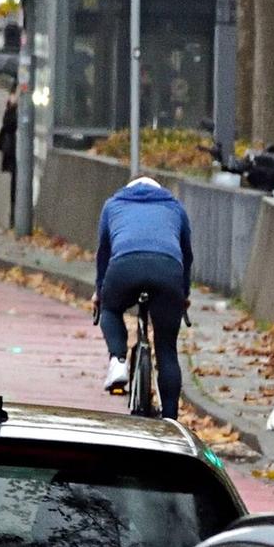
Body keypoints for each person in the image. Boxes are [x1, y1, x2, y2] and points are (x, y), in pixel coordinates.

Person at [93, 174, 193, 419]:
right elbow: (187, 255)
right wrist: (184, 294)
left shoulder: (113, 205)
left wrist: (100, 292)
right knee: (167, 348)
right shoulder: (175, 207)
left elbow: (103, 254)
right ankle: (171, 419)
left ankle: (117, 360)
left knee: (110, 308)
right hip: (167, 271)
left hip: (124, 267)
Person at [0, 88, 19, 221]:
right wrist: (12, 106)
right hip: (13, 151)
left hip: (17, 151)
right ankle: (13, 214)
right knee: (14, 183)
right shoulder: (11, 111)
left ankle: (16, 215)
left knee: (17, 182)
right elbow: (8, 125)